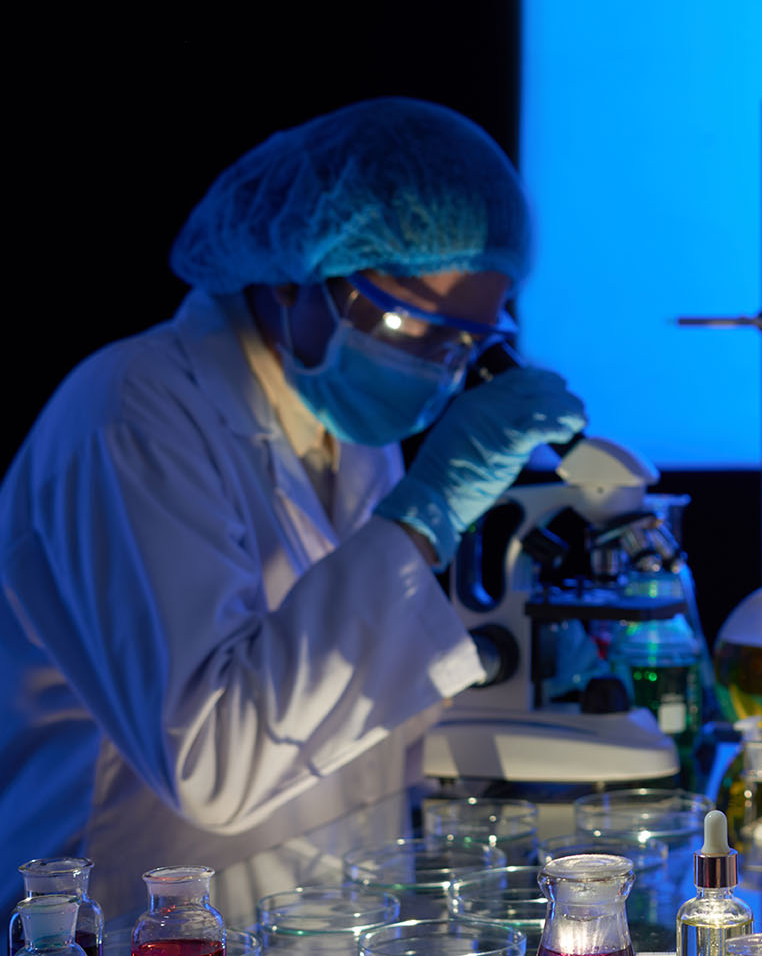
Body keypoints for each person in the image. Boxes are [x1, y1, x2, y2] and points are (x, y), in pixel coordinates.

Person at [0, 98, 586, 916]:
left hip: (310, 911)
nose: (434, 368)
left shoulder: (344, 426)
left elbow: (340, 688)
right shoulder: (132, 410)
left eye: (464, 344)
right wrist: (423, 519)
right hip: (132, 911)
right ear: (293, 274)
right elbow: (214, 764)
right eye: (407, 324)